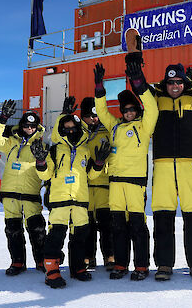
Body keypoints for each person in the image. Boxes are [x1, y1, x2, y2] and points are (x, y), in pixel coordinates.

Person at [124, 27, 192, 281]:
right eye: (170, 82)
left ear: (184, 82)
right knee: (162, 215)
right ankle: (165, 264)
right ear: (165, 84)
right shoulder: (155, 100)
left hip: (190, 167)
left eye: (179, 81)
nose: (175, 86)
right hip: (164, 166)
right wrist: (134, 55)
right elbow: (138, 84)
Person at [93, 59, 158, 281]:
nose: (129, 112)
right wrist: (99, 89)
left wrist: (139, 82)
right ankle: (121, 264)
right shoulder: (115, 126)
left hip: (135, 184)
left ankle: (141, 265)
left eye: (132, 109)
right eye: (125, 110)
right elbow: (101, 112)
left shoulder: (144, 125)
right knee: (118, 226)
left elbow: (152, 107)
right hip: (115, 183)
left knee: (138, 226)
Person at [32, 109, 111, 288]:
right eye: (66, 128)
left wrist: (98, 163)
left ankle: (78, 268)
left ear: (79, 129)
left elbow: (91, 175)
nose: (70, 131)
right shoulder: (54, 150)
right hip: (59, 200)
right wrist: (41, 162)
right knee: (56, 236)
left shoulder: (85, 150)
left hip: (80, 200)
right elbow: (45, 175)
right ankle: (51, 271)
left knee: (80, 236)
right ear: (61, 130)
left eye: (73, 127)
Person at [0, 101, 47, 276]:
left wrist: (42, 160)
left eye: (32, 126)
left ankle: (41, 260)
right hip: (10, 195)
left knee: (37, 230)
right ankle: (17, 262)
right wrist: (2, 118)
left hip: (31, 194)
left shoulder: (42, 147)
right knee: (13, 230)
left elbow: (47, 171)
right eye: (26, 125)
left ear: (37, 128)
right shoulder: (11, 143)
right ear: (21, 126)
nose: (29, 128)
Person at [80, 96, 115, 271]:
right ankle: (88, 256)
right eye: (89, 115)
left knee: (106, 224)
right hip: (84, 186)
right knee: (87, 225)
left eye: (96, 115)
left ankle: (110, 256)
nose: (93, 119)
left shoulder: (107, 130)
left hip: (103, 184)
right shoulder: (78, 132)